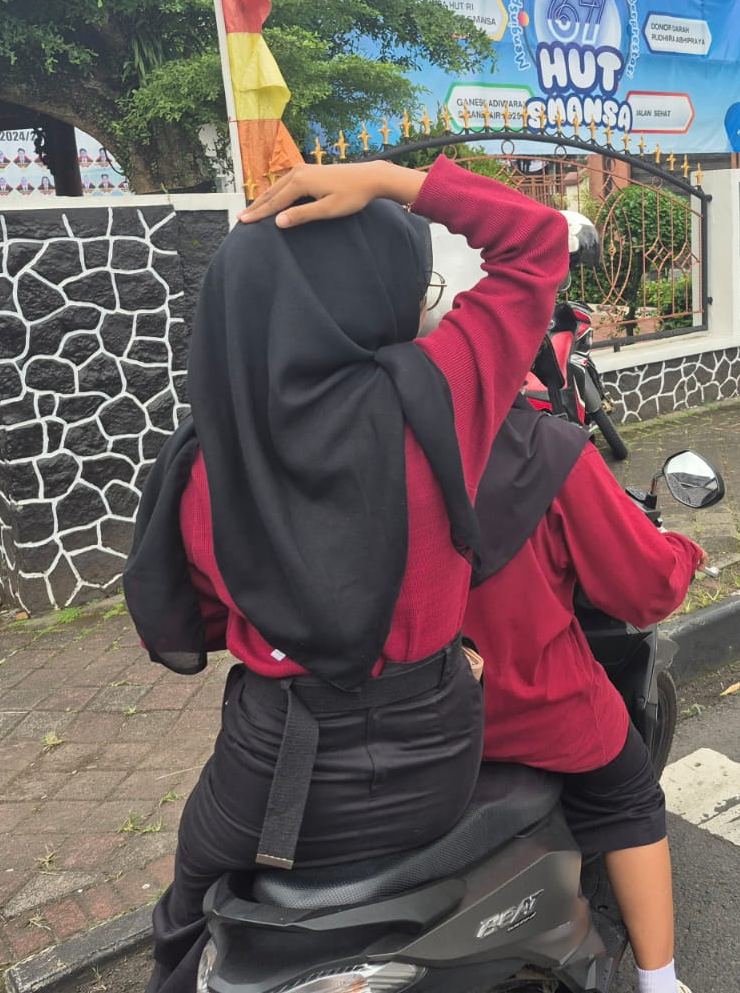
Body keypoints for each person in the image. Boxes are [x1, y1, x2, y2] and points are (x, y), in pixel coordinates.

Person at [123, 157, 569, 993]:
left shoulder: (214, 456)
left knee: (185, 911)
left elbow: (207, 614)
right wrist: (391, 179)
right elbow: (538, 240)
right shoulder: (442, 392)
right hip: (437, 749)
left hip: (272, 770)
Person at [460, 395, 703, 993]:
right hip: (534, 709)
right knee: (631, 797)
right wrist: (683, 551)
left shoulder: (333, 434)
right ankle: (659, 982)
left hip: (388, 715)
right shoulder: (544, 445)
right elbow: (645, 588)